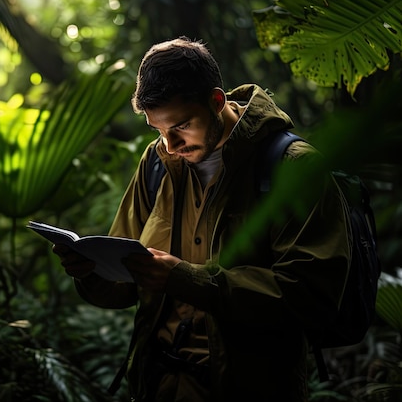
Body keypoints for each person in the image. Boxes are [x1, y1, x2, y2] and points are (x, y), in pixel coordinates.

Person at [53, 36, 350, 401]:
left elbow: (312, 298)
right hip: (159, 385)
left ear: (216, 101)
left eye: (180, 126)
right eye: (158, 131)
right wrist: (91, 269)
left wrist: (186, 279)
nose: (170, 145)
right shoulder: (157, 162)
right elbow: (124, 283)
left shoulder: (293, 167)